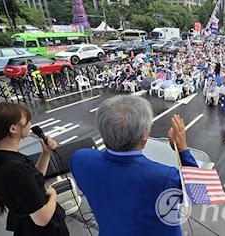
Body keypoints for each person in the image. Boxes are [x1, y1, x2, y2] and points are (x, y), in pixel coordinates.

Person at [70, 96, 198, 236]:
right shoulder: (165, 177)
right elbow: (200, 191)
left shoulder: (80, 160)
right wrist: (183, 149)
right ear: (145, 135)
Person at [0, 103, 68, 236]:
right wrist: (53, 194)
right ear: (13, 128)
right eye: (27, 120)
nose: (30, 123)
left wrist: (45, 154)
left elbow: (31, 181)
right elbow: (42, 219)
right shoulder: (15, 170)